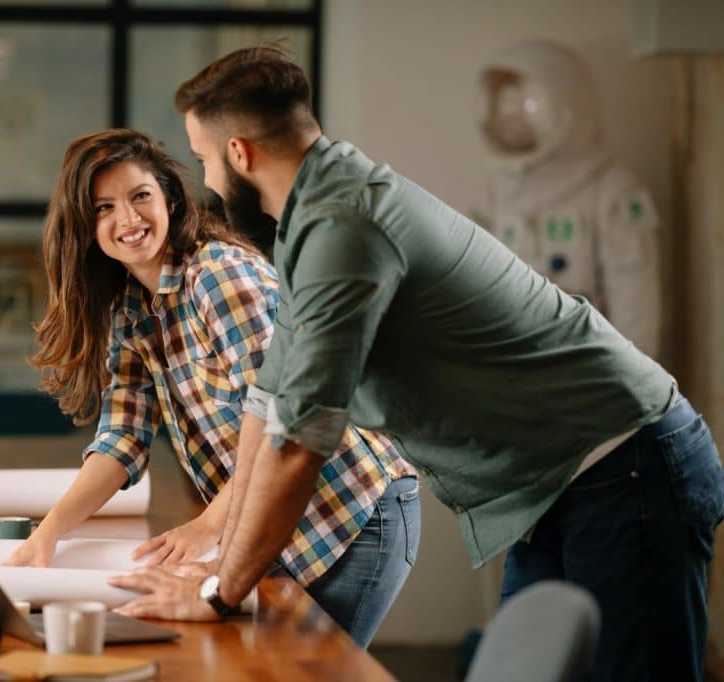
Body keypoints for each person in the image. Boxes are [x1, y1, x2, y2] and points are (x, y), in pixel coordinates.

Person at [106, 46, 724, 682]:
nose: (206, 181)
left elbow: (299, 447)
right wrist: (218, 569)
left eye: (204, 159)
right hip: (562, 482)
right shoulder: (310, 224)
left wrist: (222, 594)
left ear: (239, 154)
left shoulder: (345, 228)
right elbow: (268, 408)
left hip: (626, 465)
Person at [4, 129, 419, 647]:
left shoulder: (217, 277)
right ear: (85, 227)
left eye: (140, 197)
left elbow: (280, 424)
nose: (128, 220)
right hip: (274, 518)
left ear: (169, 199)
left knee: (311, 673)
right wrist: (48, 535)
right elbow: (122, 438)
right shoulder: (132, 309)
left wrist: (207, 528)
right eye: (104, 208)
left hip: (350, 515)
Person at [479, 39, 662, 357]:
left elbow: (637, 311)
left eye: (524, 103)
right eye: (503, 103)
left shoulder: (613, 191)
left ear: (566, 104)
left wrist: (628, 396)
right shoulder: (498, 193)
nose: (511, 115)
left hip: (592, 379)